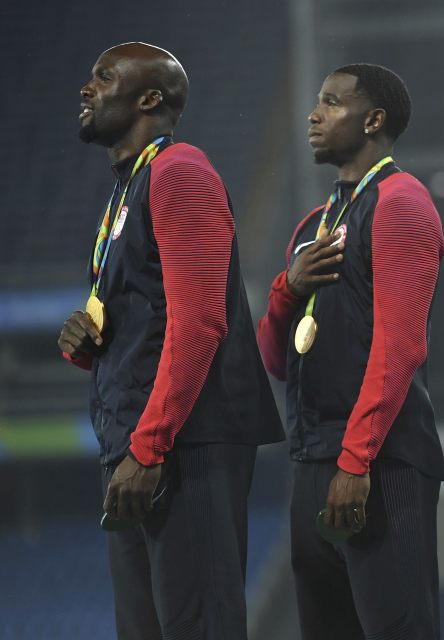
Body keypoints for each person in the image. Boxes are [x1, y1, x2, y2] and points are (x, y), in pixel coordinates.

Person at [57, 42, 284, 639]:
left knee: (198, 626)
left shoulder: (179, 172)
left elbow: (201, 319)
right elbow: (148, 319)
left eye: (103, 77)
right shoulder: (126, 190)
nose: (86, 89)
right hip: (140, 445)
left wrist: (149, 447)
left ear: (149, 98)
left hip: (183, 446)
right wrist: (87, 343)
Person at [256, 63, 444, 639]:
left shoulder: (401, 202)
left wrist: (355, 461)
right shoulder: (316, 223)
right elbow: (272, 356)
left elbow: (400, 347)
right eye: (317, 101)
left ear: (374, 120)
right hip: (314, 459)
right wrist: (289, 287)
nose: (314, 114)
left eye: (332, 103)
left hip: (378, 463)